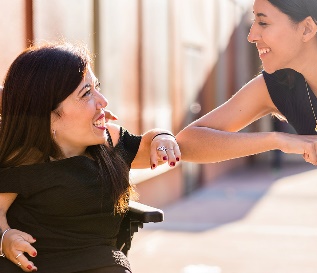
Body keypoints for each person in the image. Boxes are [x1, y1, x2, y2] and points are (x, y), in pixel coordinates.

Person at [176, 0, 317, 272]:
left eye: (263, 22)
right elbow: (188, 143)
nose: (252, 34)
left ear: (308, 28)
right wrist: (275, 140)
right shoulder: (280, 85)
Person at [0, 42, 181, 273]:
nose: (103, 101)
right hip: (33, 265)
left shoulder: (110, 141)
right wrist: (5, 237)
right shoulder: (25, 158)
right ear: (48, 115)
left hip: (101, 264)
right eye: (86, 94)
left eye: (97, 87)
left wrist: (162, 136)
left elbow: (147, 145)